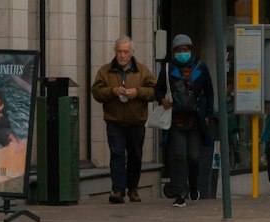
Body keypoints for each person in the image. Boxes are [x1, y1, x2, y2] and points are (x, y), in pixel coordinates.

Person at [90, 37, 156, 204]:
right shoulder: (105, 71)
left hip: (136, 121)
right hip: (115, 121)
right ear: (115, 51)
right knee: (117, 154)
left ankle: (133, 189)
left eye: (126, 51)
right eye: (119, 51)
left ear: (132, 53)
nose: (122, 55)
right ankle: (118, 190)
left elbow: (155, 91)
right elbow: (96, 92)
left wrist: (138, 92)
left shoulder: (142, 71)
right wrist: (112, 91)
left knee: (135, 156)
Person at [155, 33, 215, 208]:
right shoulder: (167, 69)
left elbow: (209, 92)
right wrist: (162, 100)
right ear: (174, 53)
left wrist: (208, 115)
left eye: (186, 49)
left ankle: (194, 186)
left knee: (194, 157)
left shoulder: (200, 67)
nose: (183, 52)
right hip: (175, 120)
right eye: (179, 50)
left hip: (195, 120)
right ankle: (180, 193)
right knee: (179, 156)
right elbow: (157, 91)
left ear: (191, 50)